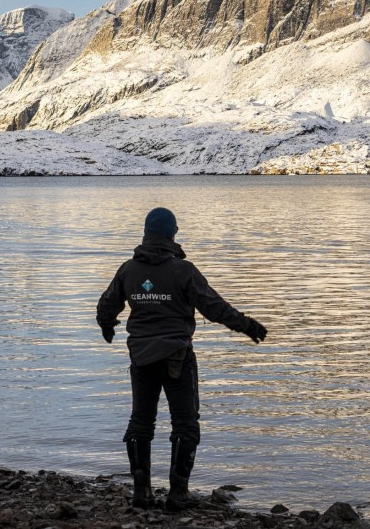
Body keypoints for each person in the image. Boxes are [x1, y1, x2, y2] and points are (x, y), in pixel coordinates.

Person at [96, 208, 268, 511]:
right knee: (186, 424)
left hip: (141, 357)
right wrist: (247, 325)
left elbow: (107, 305)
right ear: (171, 234)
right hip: (177, 356)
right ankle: (178, 494)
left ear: (147, 233)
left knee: (140, 421)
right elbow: (213, 307)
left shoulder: (128, 270)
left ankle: (142, 493)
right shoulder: (183, 271)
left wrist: (108, 326)